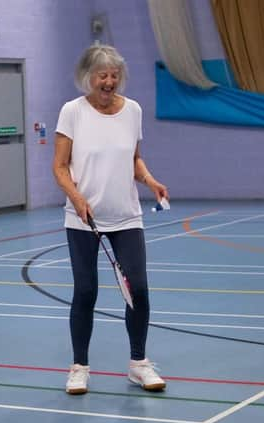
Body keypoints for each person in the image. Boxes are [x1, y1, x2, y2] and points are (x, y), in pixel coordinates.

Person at [52, 44, 169, 395]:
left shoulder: (132, 110)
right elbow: (59, 166)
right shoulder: (72, 111)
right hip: (83, 219)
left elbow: (134, 158)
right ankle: (79, 367)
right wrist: (77, 198)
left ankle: (138, 364)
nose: (109, 81)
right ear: (88, 77)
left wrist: (149, 180)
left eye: (114, 75)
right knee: (85, 291)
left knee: (140, 291)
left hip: (126, 217)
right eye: (102, 75)